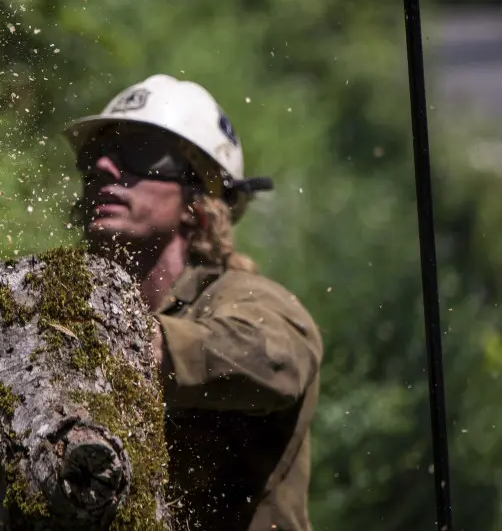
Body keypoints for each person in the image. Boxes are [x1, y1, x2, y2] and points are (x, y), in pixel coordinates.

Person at [62, 73, 322, 531]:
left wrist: (146, 345)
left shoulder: (244, 296)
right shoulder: (72, 306)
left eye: (139, 153)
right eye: (94, 155)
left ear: (196, 200)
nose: (104, 166)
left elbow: (279, 359)